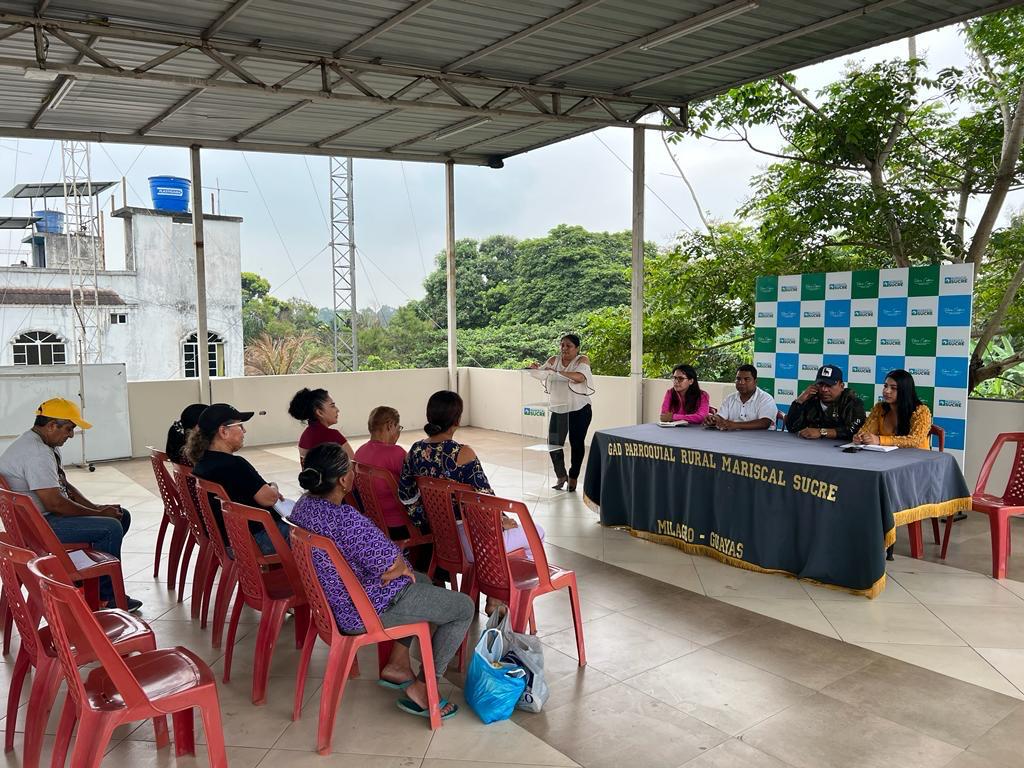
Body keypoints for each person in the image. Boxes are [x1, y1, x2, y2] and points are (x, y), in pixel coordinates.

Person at [290, 443, 472, 720]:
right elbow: (390, 564)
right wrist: (399, 567)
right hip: (362, 609)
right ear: (343, 480)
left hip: (333, 604)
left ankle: (397, 665)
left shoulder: (304, 506)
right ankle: (425, 687)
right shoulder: (345, 519)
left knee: (422, 580)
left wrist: (400, 569)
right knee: (463, 608)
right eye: (350, 468)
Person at [0, 398, 141, 611]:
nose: (71, 435)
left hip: (40, 519)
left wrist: (97, 509)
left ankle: (87, 582)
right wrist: (100, 514)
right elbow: (55, 503)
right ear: (51, 425)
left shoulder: (43, 444)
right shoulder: (36, 453)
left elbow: (65, 487)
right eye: (69, 428)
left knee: (121, 515)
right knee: (110, 527)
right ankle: (107, 596)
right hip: (38, 526)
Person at [398, 390, 544, 566]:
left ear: (429, 416)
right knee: (537, 532)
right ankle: (513, 581)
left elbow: (406, 494)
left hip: (439, 540)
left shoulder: (415, 450)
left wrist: (426, 522)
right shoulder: (462, 453)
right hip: (472, 543)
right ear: (457, 420)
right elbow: (486, 498)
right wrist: (501, 522)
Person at [188, 403, 290, 555]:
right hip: (255, 540)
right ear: (223, 432)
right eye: (240, 426)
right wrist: (274, 486)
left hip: (226, 540)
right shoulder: (234, 465)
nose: (244, 431)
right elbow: (269, 499)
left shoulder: (202, 463)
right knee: (312, 531)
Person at [528, 333, 594, 491]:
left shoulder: (582, 360)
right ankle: (561, 475)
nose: (564, 348)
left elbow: (580, 377)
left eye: (569, 346)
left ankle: (573, 477)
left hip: (580, 409)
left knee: (576, 444)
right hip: (559, 409)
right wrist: (534, 369)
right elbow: (542, 374)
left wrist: (556, 372)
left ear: (577, 348)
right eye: (562, 345)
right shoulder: (554, 360)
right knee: (553, 444)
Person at [353, 406, 420, 530]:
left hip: (372, 522)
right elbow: (417, 483)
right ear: (390, 426)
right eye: (398, 427)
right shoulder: (396, 453)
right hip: (401, 524)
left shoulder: (359, 452)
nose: (399, 432)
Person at [853, 369, 932, 449]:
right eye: (885, 386)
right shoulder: (879, 408)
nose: (886, 391)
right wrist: (860, 437)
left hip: (918, 455)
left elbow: (915, 440)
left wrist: (880, 440)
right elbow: (866, 432)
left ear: (905, 391)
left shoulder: (922, 411)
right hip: (888, 456)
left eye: (893, 388)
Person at [784, 364, 867, 440]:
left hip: (840, 449)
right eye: (820, 384)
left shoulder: (852, 402)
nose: (824, 389)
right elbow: (792, 428)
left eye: (829, 385)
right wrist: (799, 401)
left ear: (841, 386)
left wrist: (822, 432)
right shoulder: (810, 399)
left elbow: (854, 431)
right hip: (809, 447)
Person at [288, 387, 354, 466]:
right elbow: (354, 465)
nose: (337, 410)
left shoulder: (305, 436)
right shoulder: (333, 435)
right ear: (319, 412)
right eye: (332, 406)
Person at [704, 364, 777, 431]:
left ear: (755, 382)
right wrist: (714, 419)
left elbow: (764, 423)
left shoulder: (766, 399)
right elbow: (721, 417)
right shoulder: (730, 398)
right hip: (732, 437)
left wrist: (735, 425)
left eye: (746, 379)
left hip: (761, 438)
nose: (741, 382)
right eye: (738, 379)